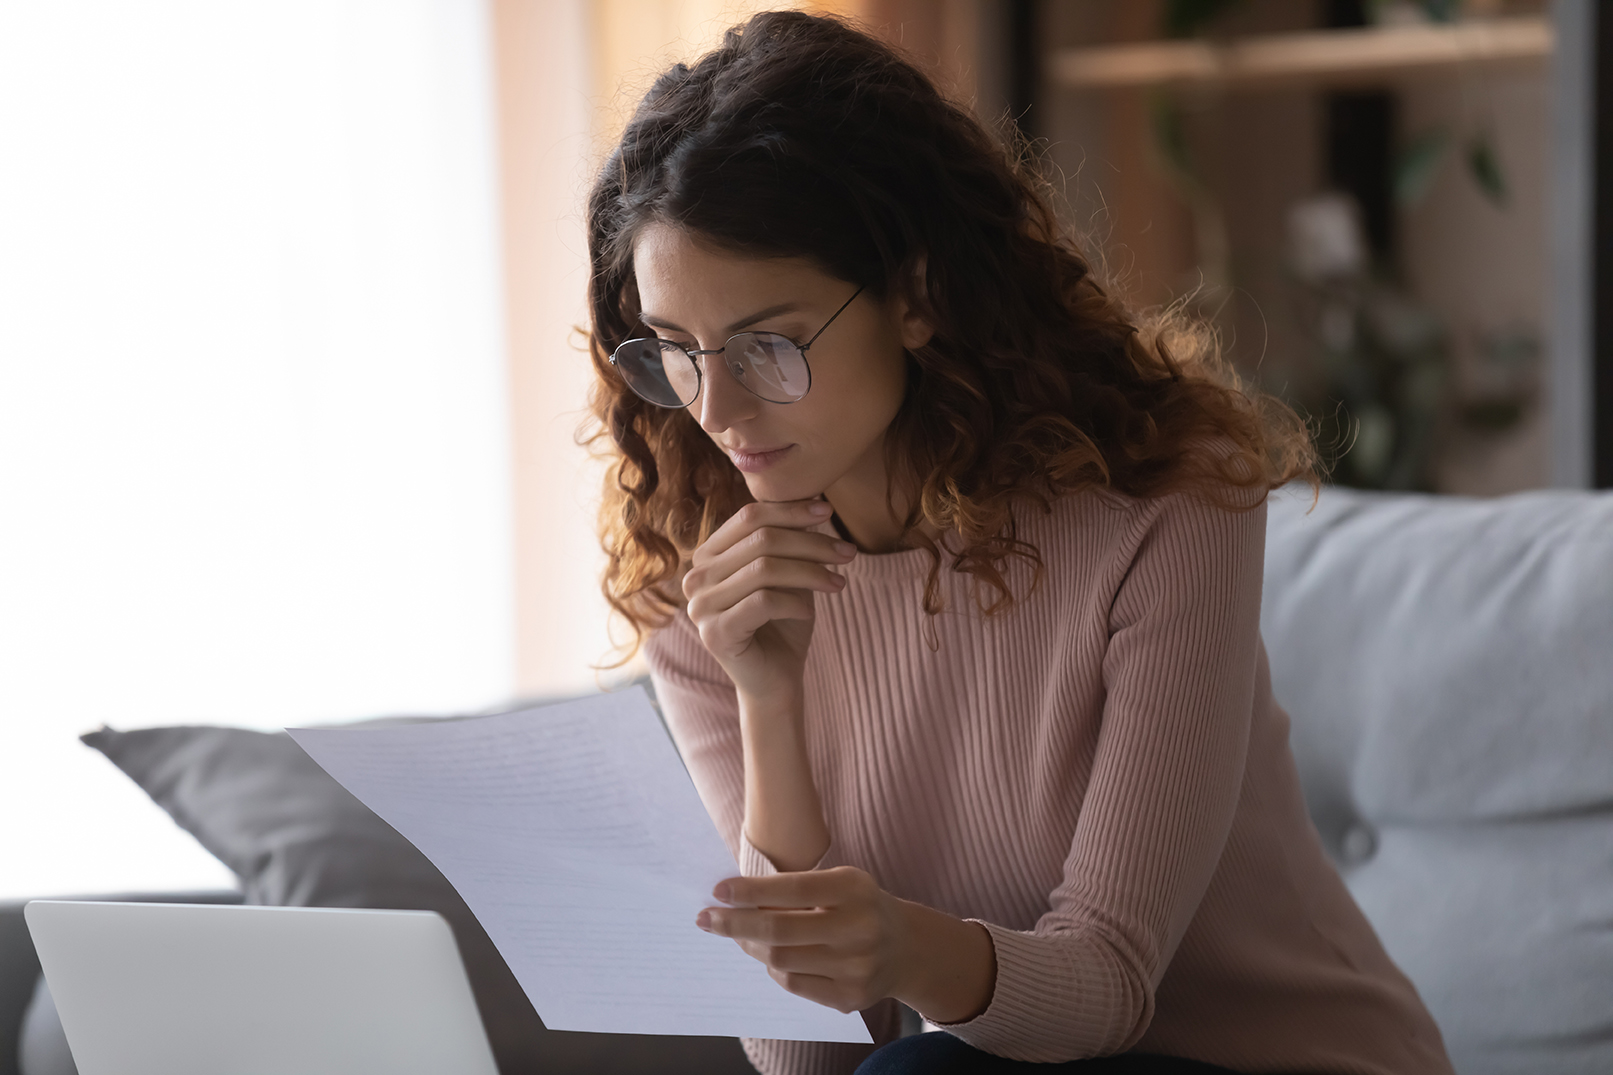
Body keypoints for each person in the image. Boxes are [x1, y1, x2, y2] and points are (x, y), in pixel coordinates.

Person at [584, 11, 1453, 1075]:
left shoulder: (1161, 508)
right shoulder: (708, 584)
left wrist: (905, 946)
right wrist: (767, 696)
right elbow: (799, 1062)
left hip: (1277, 1060)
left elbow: (1107, 986)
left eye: (768, 343)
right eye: (675, 351)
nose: (714, 407)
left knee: (926, 1069)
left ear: (915, 293)